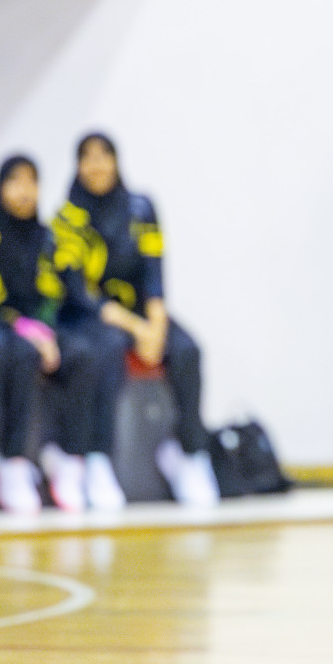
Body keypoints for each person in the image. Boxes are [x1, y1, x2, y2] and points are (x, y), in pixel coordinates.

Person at [53, 131, 218, 506]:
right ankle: (99, 459)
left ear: (116, 161)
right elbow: (79, 292)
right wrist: (137, 328)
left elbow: (154, 271)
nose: (97, 165)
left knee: (187, 350)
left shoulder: (141, 208)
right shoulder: (67, 220)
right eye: (88, 157)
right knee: (107, 350)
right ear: (78, 166)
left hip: (141, 312)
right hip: (93, 317)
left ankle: (189, 452)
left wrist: (156, 325)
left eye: (104, 156)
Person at [0, 155, 106, 513]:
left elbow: (54, 297)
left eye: (31, 182)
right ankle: (11, 457)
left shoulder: (47, 237)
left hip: (37, 328)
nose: (24, 191)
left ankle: (68, 456)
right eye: (15, 181)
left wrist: (44, 330)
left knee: (83, 353)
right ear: (0, 186)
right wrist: (22, 328)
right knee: (19, 352)